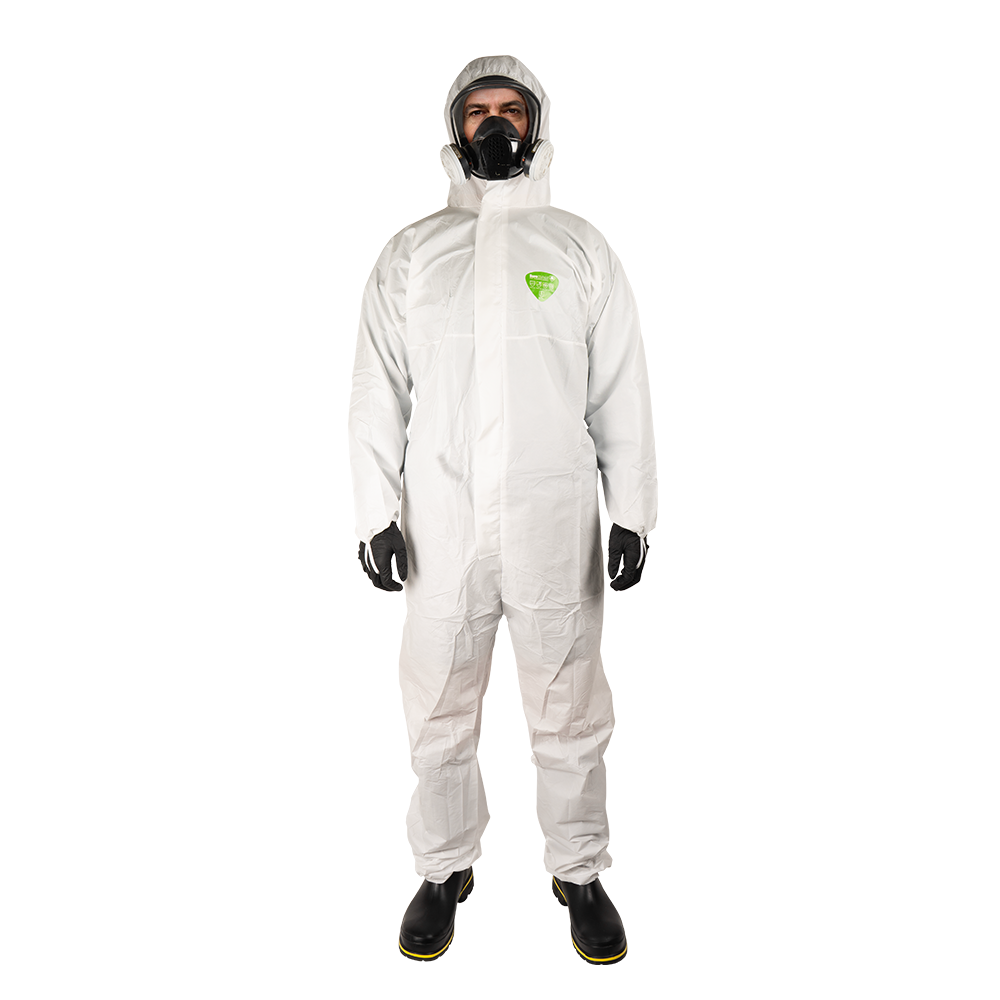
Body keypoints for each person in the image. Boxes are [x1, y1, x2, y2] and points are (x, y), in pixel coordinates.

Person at [348, 55, 656, 965]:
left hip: (551, 516)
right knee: (438, 705)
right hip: (440, 519)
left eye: (509, 110)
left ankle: (578, 871)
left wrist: (632, 512)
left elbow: (621, 390)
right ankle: (443, 870)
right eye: (477, 110)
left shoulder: (577, 248)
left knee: (567, 703)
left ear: (533, 126)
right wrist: (373, 513)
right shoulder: (412, 254)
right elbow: (376, 391)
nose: (494, 124)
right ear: (455, 133)